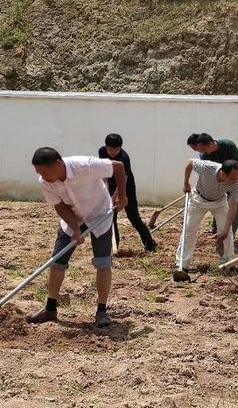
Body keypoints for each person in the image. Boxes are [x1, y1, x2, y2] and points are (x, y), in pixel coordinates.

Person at [28, 147, 127, 327]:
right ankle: (50, 308)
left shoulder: (85, 165)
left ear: (57, 164)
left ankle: (102, 311)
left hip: (100, 215)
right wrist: (74, 227)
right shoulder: (45, 181)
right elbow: (59, 206)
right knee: (57, 261)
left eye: (44, 171)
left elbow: (119, 167)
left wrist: (122, 196)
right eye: (38, 172)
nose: (42, 176)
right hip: (72, 217)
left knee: (103, 263)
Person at [174, 159, 238, 281]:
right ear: (223, 173)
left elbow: (233, 205)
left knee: (228, 232)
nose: (236, 181)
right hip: (198, 199)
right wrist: (186, 183)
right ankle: (181, 264)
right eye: (232, 178)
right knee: (189, 229)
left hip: (219, 202)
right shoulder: (207, 168)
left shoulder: (237, 183)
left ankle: (228, 263)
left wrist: (226, 229)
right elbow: (190, 162)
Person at [98, 133, 157, 252]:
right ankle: (114, 247)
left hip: (126, 186)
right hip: (111, 182)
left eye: (117, 149)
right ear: (106, 147)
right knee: (111, 217)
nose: (113, 152)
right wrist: (104, 190)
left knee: (133, 217)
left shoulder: (124, 157)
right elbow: (103, 171)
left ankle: (150, 244)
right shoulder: (102, 151)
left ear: (120, 148)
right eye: (110, 149)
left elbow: (123, 179)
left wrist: (117, 196)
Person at [197, 133, 238, 243]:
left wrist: (232, 182)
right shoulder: (204, 155)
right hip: (222, 178)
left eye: (204, 148)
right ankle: (217, 229)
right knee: (218, 201)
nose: (202, 152)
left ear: (212, 143)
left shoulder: (228, 145)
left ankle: (230, 236)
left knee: (235, 205)